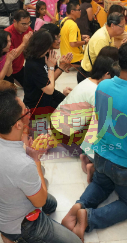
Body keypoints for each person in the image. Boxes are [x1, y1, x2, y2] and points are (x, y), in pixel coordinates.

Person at [62, 42, 127, 236]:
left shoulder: (104, 85)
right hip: (126, 165)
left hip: (101, 155)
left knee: (100, 184)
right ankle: (88, 218)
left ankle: (79, 205)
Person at [0, 88, 84, 243]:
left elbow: (15, 154)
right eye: (25, 111)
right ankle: (15, 238)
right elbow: (40, 200)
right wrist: (36, 159)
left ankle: (10, 233)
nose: (28, 111)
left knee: (52, 205)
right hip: (19, 224)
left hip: (1, 207)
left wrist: (26, 142)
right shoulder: (23, 165)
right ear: (17, 124)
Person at [51, 51, 118, 182]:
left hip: (55, 124)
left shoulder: (88, 80)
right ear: (107, 74)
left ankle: (84, 154)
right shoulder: (97, 91)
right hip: (66, 136)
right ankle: (89, 159)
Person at [23, 29, 73, 111]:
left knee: (71, 102)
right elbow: (49, 90)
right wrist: (51, 67)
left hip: (47, 96)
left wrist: (61, 66)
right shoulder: (32, 64)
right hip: (37, 105)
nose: (49, 49)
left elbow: (49, 78)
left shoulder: (43, 55)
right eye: (48, 47)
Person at [78, 9, 127, 83]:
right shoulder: (101, 38)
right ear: (112, 25)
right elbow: (106, 63)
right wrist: (120, 49)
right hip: (89, 74)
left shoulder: (110, 34)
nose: (124, 29)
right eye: (122, 26)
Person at [5, 10, 33, 85]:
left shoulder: (28, 29)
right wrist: (24, 43)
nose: (26, 26)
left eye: (28, 23)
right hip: (6, 70)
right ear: (15, 21)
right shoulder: (7, 34)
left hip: (19, 68)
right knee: (9, 93)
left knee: (31, 85)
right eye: (23, 24)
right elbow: (11, 56)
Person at [60, 1, 88, 67]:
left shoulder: (64, 20)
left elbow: (67, 35)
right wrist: (85, 41)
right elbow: (72, 43)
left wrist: (80, 36)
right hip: (74, 57)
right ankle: (71, 64)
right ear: (72, 11)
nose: (80, 11)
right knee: (91, 64)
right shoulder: (73, 25)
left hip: (65, 55)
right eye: (78, 10)